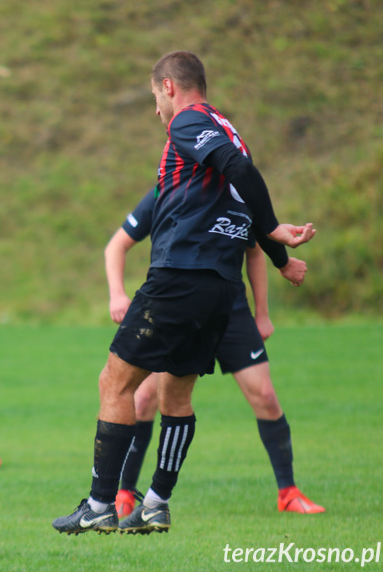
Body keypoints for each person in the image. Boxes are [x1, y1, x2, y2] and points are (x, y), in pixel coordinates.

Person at [52, 50, 316, 536]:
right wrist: (279, 258)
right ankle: (155, 503)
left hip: (179, 276)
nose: (156, 110)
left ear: (170, 87)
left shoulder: (189, 122)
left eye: (155, 96)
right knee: (175, 394)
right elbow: (242, 183)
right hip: (220, 286)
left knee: (115, 384)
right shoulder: (228, 128)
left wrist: (275, 228)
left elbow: (238, 173)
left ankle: (99, 504)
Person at [105, 190, 324, 519]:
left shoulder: (240, 194)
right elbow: (116, 245)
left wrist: (261, 313)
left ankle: (288, 492)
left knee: (264, 394)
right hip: (180, 306)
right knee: (145, 398)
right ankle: (126, 493)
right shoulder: (170, 191)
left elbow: (254, 251)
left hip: (231, 308)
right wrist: (117, 294)